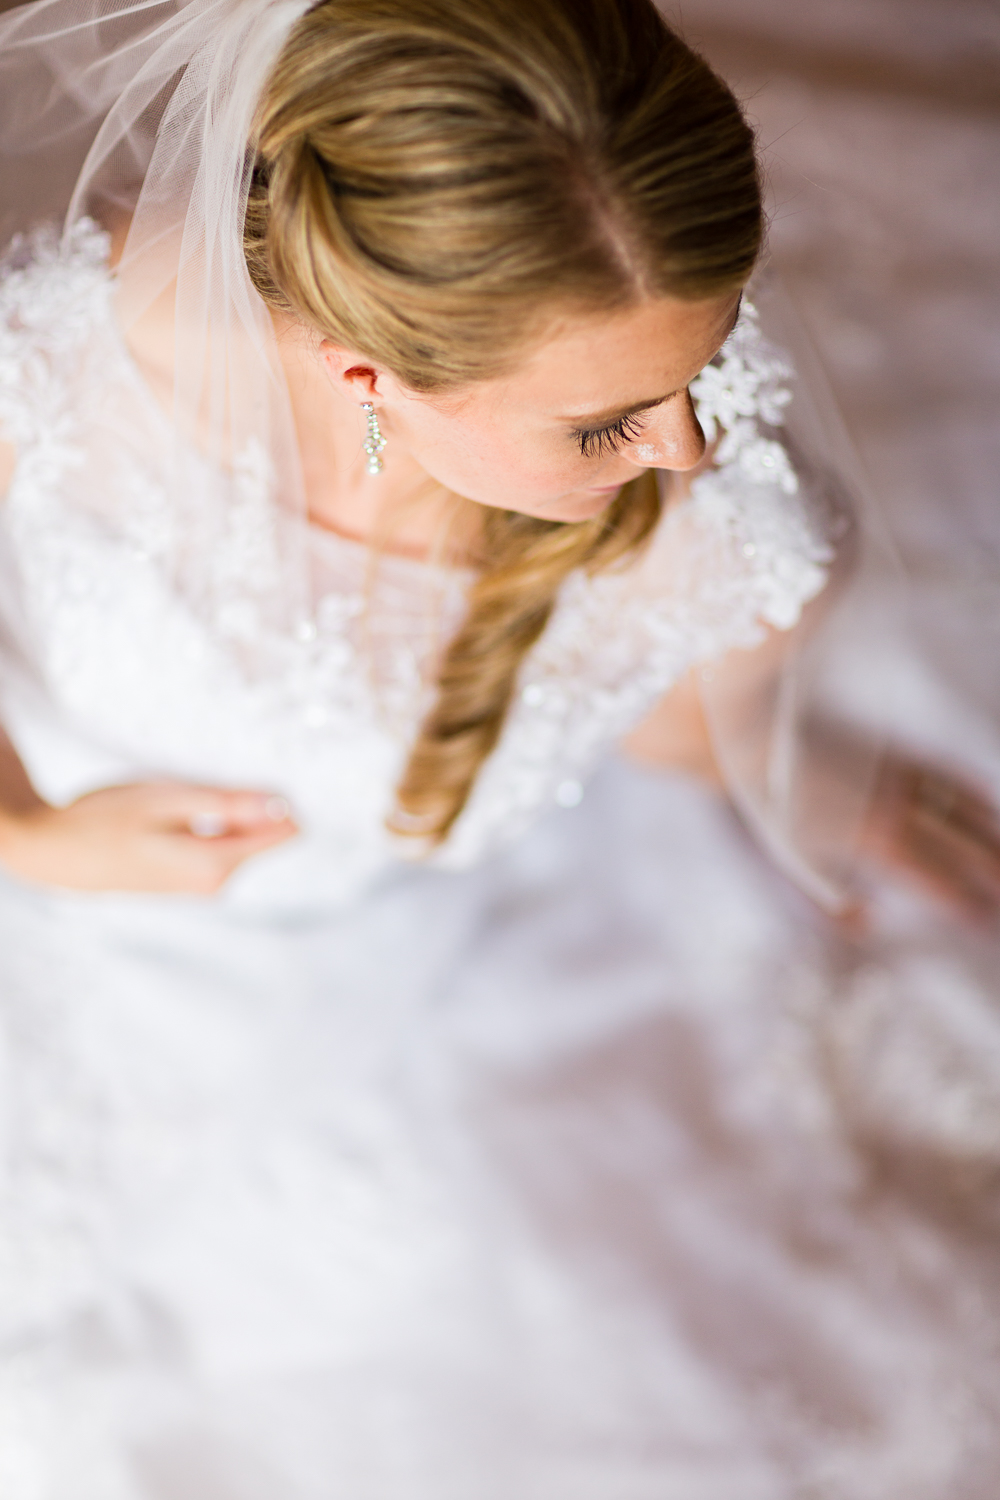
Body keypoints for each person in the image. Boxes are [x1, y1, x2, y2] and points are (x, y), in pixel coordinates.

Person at [0, 0, 999, 1494]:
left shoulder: (702, 529)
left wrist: (775, 746)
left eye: (704, 358)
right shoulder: (77, 353)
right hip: (88, 942)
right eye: (605, 424)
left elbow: (672, 727)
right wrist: (25, 829)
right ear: (367, 379)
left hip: (476, 942)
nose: (693, 450)